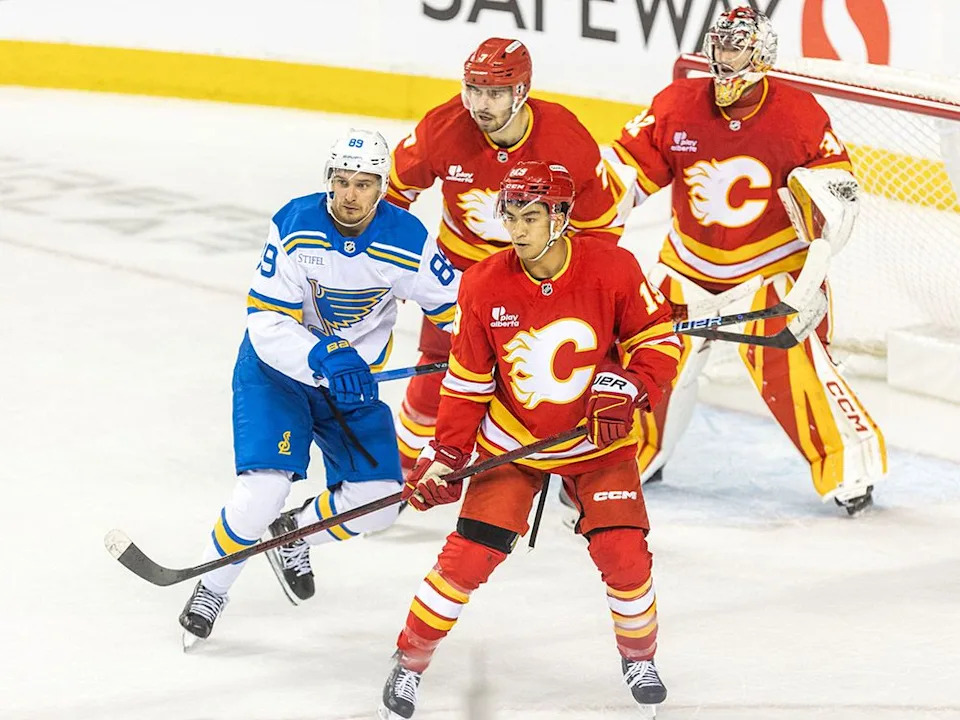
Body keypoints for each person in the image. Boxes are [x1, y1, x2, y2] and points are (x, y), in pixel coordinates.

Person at [376, 161, 682, 719]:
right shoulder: (484, 282)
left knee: (625, 555)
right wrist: (445, 455)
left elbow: (658, 343)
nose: (517, 230)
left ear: (562, 216)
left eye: (532, 216)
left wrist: (633, 389)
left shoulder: (613, 268)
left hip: (597, 445)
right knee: (467, 559)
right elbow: (467, 382)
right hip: (513, 440)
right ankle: (409, 661)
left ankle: (639, 658)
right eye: (510, 215)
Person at [177, 129, 461, 647]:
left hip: (350, 386)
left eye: (364, 184)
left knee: (379, 502)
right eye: (342, 182)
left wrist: (493, 354)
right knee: (263, 489)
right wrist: (322, 353)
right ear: (328, 181)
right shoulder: (295, 222)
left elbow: (457, 310)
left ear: (382, 188)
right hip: (278, 374)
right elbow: (265, 321)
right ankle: (211, 587)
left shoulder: (409, 240)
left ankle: (295, 531)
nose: (351, 194)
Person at [604, 5, 885, 515]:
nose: (725, 60)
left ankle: (850, 468)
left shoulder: (799, 114)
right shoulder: (677, 104)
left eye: (737, 50)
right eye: (722, 48)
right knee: (649, 358)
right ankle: (638, 451)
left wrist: (815, 264)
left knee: (794, 367)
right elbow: (622, 176)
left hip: (770, 270)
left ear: (762, 55)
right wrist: (591, 221)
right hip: (687, 266)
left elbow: (838, 195)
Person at [386, 37, 629, 477]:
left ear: (521, 92)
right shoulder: (442, 127)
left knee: (544, 381)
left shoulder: (565, 138)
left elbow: (601, 229)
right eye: (474, 89)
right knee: (432, 382)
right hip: (457, 276)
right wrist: (391, 268)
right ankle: (405, 475)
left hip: (537, 278)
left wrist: (578, 292)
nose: (481, 103)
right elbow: (392, 196)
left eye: (495, 92)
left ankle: (574, 475)